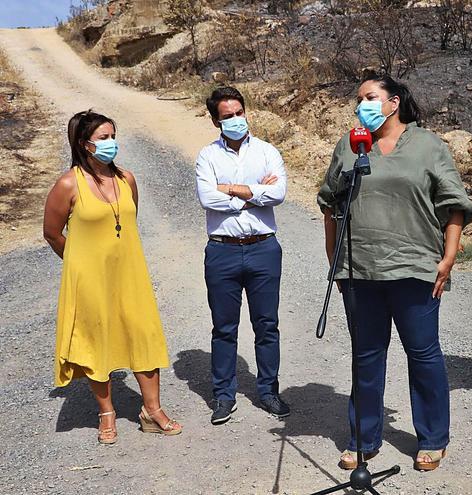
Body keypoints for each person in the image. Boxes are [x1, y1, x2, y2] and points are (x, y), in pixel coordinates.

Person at [317, 75, 472, 472]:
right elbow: (329, 202)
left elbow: (454, 204)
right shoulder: (349, 144)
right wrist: (334, 258)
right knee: (366, 356)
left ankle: (433, 438)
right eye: (359, 99)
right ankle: (363, 437)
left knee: (423, 354)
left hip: (415, 267)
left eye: (370, 97)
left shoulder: (428, 146)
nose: (362, 106)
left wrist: (448, 257)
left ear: (393, 103)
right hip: (359, 268)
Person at [44, 110, 182, 444]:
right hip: (90, 279)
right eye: (103, 138)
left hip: (130, 273)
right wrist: (79, 262)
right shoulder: (68, 184)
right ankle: (106, 413)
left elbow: (128, 221)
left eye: (113, 136)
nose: (111, 143)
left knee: (143, 334)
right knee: (97, 340)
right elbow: (52, 233)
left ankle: (152, 410)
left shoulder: (127, 179)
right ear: (84, 143)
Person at [196, 86, 289, 425]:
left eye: (239, 113)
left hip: (263, 248)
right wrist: (253, 194)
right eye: (228, 116)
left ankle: (268, 391)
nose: (236, 120)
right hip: (222, 250)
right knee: (224, 327)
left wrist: (231, 189)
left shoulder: (266, 152)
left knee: (267, 325)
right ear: (216, 121)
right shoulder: (207, 156)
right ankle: (224, 395)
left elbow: (279, 193)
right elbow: (207, 198)